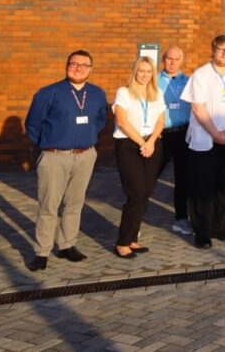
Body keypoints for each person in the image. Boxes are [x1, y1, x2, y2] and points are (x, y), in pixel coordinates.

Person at [24, 50, 108, 271]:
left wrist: (85, 137)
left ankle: (67, 245)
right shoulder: (48, 92)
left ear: (90, 69)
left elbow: (100, 121)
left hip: (85, 155)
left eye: (84, 65)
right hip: (55, 156)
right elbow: (33, 124)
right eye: (74, 64)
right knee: (48, 206)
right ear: (66, 66)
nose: (78, 68)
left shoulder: (98, 94)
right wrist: (49, 143)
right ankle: (42, 252)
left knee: (74, 203)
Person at [181, 35, 225, 249]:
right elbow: (197, 108)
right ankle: (202, 231)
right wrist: (215, 134)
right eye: (220, 49)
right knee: (203, 187)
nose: (224, 54)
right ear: (212, 49)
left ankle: (218, 226)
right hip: (205, 140)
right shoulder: (201, 75)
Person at [112, 57, 166, 258]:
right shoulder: (124, 92)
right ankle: (122, 242)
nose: (144, 75)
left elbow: (161, 121)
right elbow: (122, 122)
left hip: (152, 145)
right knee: (135, 193)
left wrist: (151, 142)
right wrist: (142, 143)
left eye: (149, 71)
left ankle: (133, 239)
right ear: (135, 71)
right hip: (129, 145)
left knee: (145, 193)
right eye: (141, 71)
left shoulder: (157, 94)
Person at [156, 46, 192, 236]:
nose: (172, 62)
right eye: (169, 59)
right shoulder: (153, 81)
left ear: (181, 61)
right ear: (163, 59)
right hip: (161, 134)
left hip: (184, 134)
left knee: (183, 179)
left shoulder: (188, 82)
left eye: (176, 59)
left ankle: (181, 218)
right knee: (150, 177)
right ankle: (134, 221)